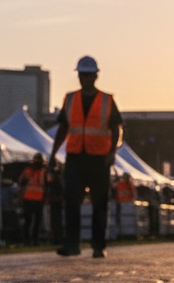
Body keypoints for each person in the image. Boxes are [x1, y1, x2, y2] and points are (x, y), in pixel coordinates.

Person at [50, 56, 121, 259]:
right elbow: (63, 128)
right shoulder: (70, 99)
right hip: (75, 157)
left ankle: (98, 246)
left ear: (96, 76)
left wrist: (111, 153)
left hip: (99, 159)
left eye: (89, 74)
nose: (85, 78)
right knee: (71, 201)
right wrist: (54, 153)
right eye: (82, 75)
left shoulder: (107, 100)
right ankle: (72, 244)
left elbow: (116, 128)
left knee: (100, 203)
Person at [18, 153, 47, 246]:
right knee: (32, 221)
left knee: (32, 221)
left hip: (33, 199)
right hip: (33, 199)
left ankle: (30, 240)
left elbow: (20, 182)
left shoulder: (40, 171)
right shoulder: (39, 171)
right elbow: (21, 182)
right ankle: (31, 240)